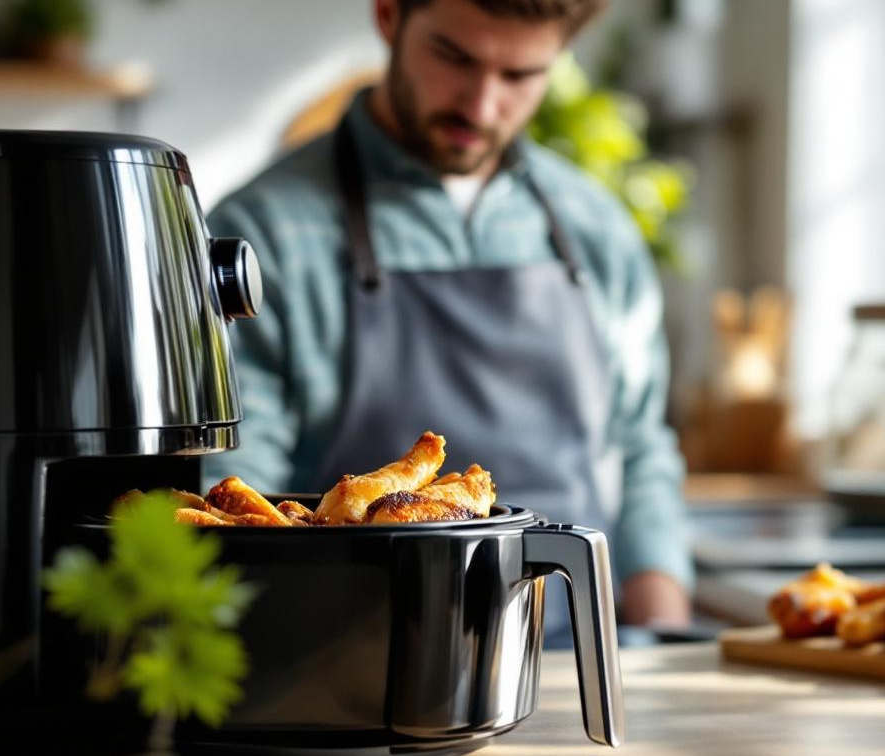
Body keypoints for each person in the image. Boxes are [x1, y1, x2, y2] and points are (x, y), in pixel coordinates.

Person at [203, 0, 692, 632]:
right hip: (357, 665)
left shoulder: (597, 229)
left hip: (582, 666)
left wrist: (659, 644)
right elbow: (233, 490)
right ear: (389, 17)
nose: (482, 105)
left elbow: (641, 452)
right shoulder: (261, 233)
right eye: (454, 57)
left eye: (519, 76)